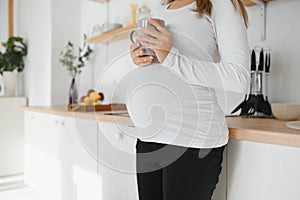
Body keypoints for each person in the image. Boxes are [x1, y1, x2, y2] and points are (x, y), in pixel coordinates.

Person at [128, 0, 250, 199]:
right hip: (149, 138)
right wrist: (141, 58)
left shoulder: (220, 3)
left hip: (191, 139)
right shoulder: (162, 10)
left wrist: (170, 57)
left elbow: (238, 77)